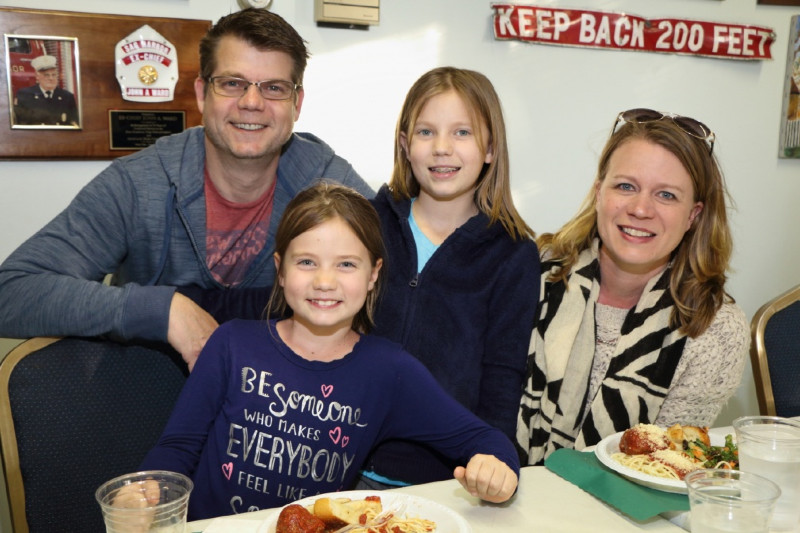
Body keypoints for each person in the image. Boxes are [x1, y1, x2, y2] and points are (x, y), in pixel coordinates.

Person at [0, 8, 372, 369]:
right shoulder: (137, 184)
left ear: (297, 103)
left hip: (281, 414)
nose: (252, 103)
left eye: (274, 88)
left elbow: (403, 281)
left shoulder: (330, 186)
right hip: (150, 405)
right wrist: (162, 310)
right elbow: (11, 292)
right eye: (232, 83)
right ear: (201, 93)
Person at [138, 182, 520, 520]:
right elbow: (177, 448)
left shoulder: (389, 372)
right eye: (306, 262)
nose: (324, 281)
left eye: (346, 265)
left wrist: (496, 468)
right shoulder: (230, 344)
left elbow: (486, 441)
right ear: (281, 269)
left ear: (373, 275)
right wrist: (146, 493)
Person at [516, 108, 748, 465]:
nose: (641, 209)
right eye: (626, 186)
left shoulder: (715, 329)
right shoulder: (532, 274)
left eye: (667, 195)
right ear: (598, 193)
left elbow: (665, 470)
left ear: (694, 215)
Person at [356, 67, 540, 489]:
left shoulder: (514, 254)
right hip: (342, 463)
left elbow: (502, 373)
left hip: (444, 481)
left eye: (462, 133)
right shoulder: (364, 223)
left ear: (491, 147)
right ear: (405, 144)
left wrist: (494, 454)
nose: (442, 148)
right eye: (426, 132)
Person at [13, 54, 79, 126]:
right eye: (46, 75)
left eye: (54, 75)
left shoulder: (67, 97)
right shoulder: (25, 95)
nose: (51, 78)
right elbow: (20, 123)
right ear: (37, 76)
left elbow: (74, 123)